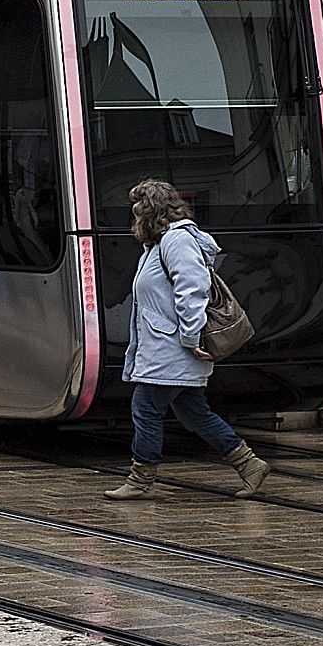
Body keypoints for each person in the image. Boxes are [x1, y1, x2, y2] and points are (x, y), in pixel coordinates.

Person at [104, 178, 271, 503]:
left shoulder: (176, 242)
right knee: (193, 412)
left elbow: (193, 288)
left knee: (145, 407)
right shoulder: (158, 245)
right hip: (169, 347)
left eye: (137, 211)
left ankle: (140, 479)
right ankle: (249, 464)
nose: (134, 217)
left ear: (151, 212)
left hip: (176, 347)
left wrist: (191, 335)